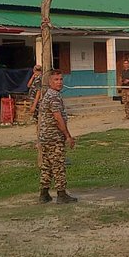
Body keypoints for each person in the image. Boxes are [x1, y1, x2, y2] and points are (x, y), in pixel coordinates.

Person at [37, 70, 77, 204]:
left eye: (60, 79)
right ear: (49, 82)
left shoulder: (48, 95)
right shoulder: (53, 96)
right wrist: (67, 136)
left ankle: (44, 193)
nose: (59, 82)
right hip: (53, 137)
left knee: (47, 165)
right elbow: (58, 117)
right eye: (56, 80)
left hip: (45, 137)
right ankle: (61, 194)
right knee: (58, 165)